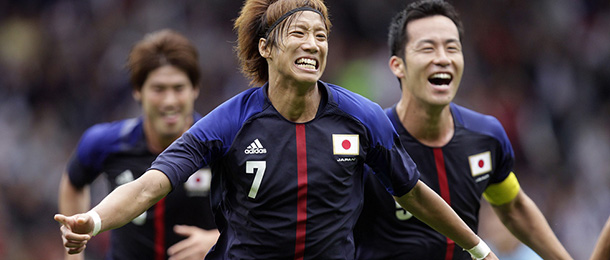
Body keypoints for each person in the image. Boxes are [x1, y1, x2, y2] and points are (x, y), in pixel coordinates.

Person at [54, 1, 498, 259]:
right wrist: (92, 221)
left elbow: (413, 192)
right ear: (265, 47)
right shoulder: (230, 121)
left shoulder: (362, 117)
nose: (312, 44)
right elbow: (153, 184)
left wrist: (477, 249)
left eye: (320, 35)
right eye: (298, 33)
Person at [353, 1, 572, 259]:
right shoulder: (368, 144)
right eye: (427, 48)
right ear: (397, 65)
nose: (443, 59)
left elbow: (514, 208)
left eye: (452, 48)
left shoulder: (486, 136)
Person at [57, 29, 219, 260]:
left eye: (178, 88)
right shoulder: (105, 143)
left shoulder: (221, 144)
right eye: (159, 89)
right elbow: (73, 182)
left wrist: (218, 238)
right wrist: (73, 254)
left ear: (195, 89)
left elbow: (263, 211)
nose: (170, 101)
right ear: (137, 91)